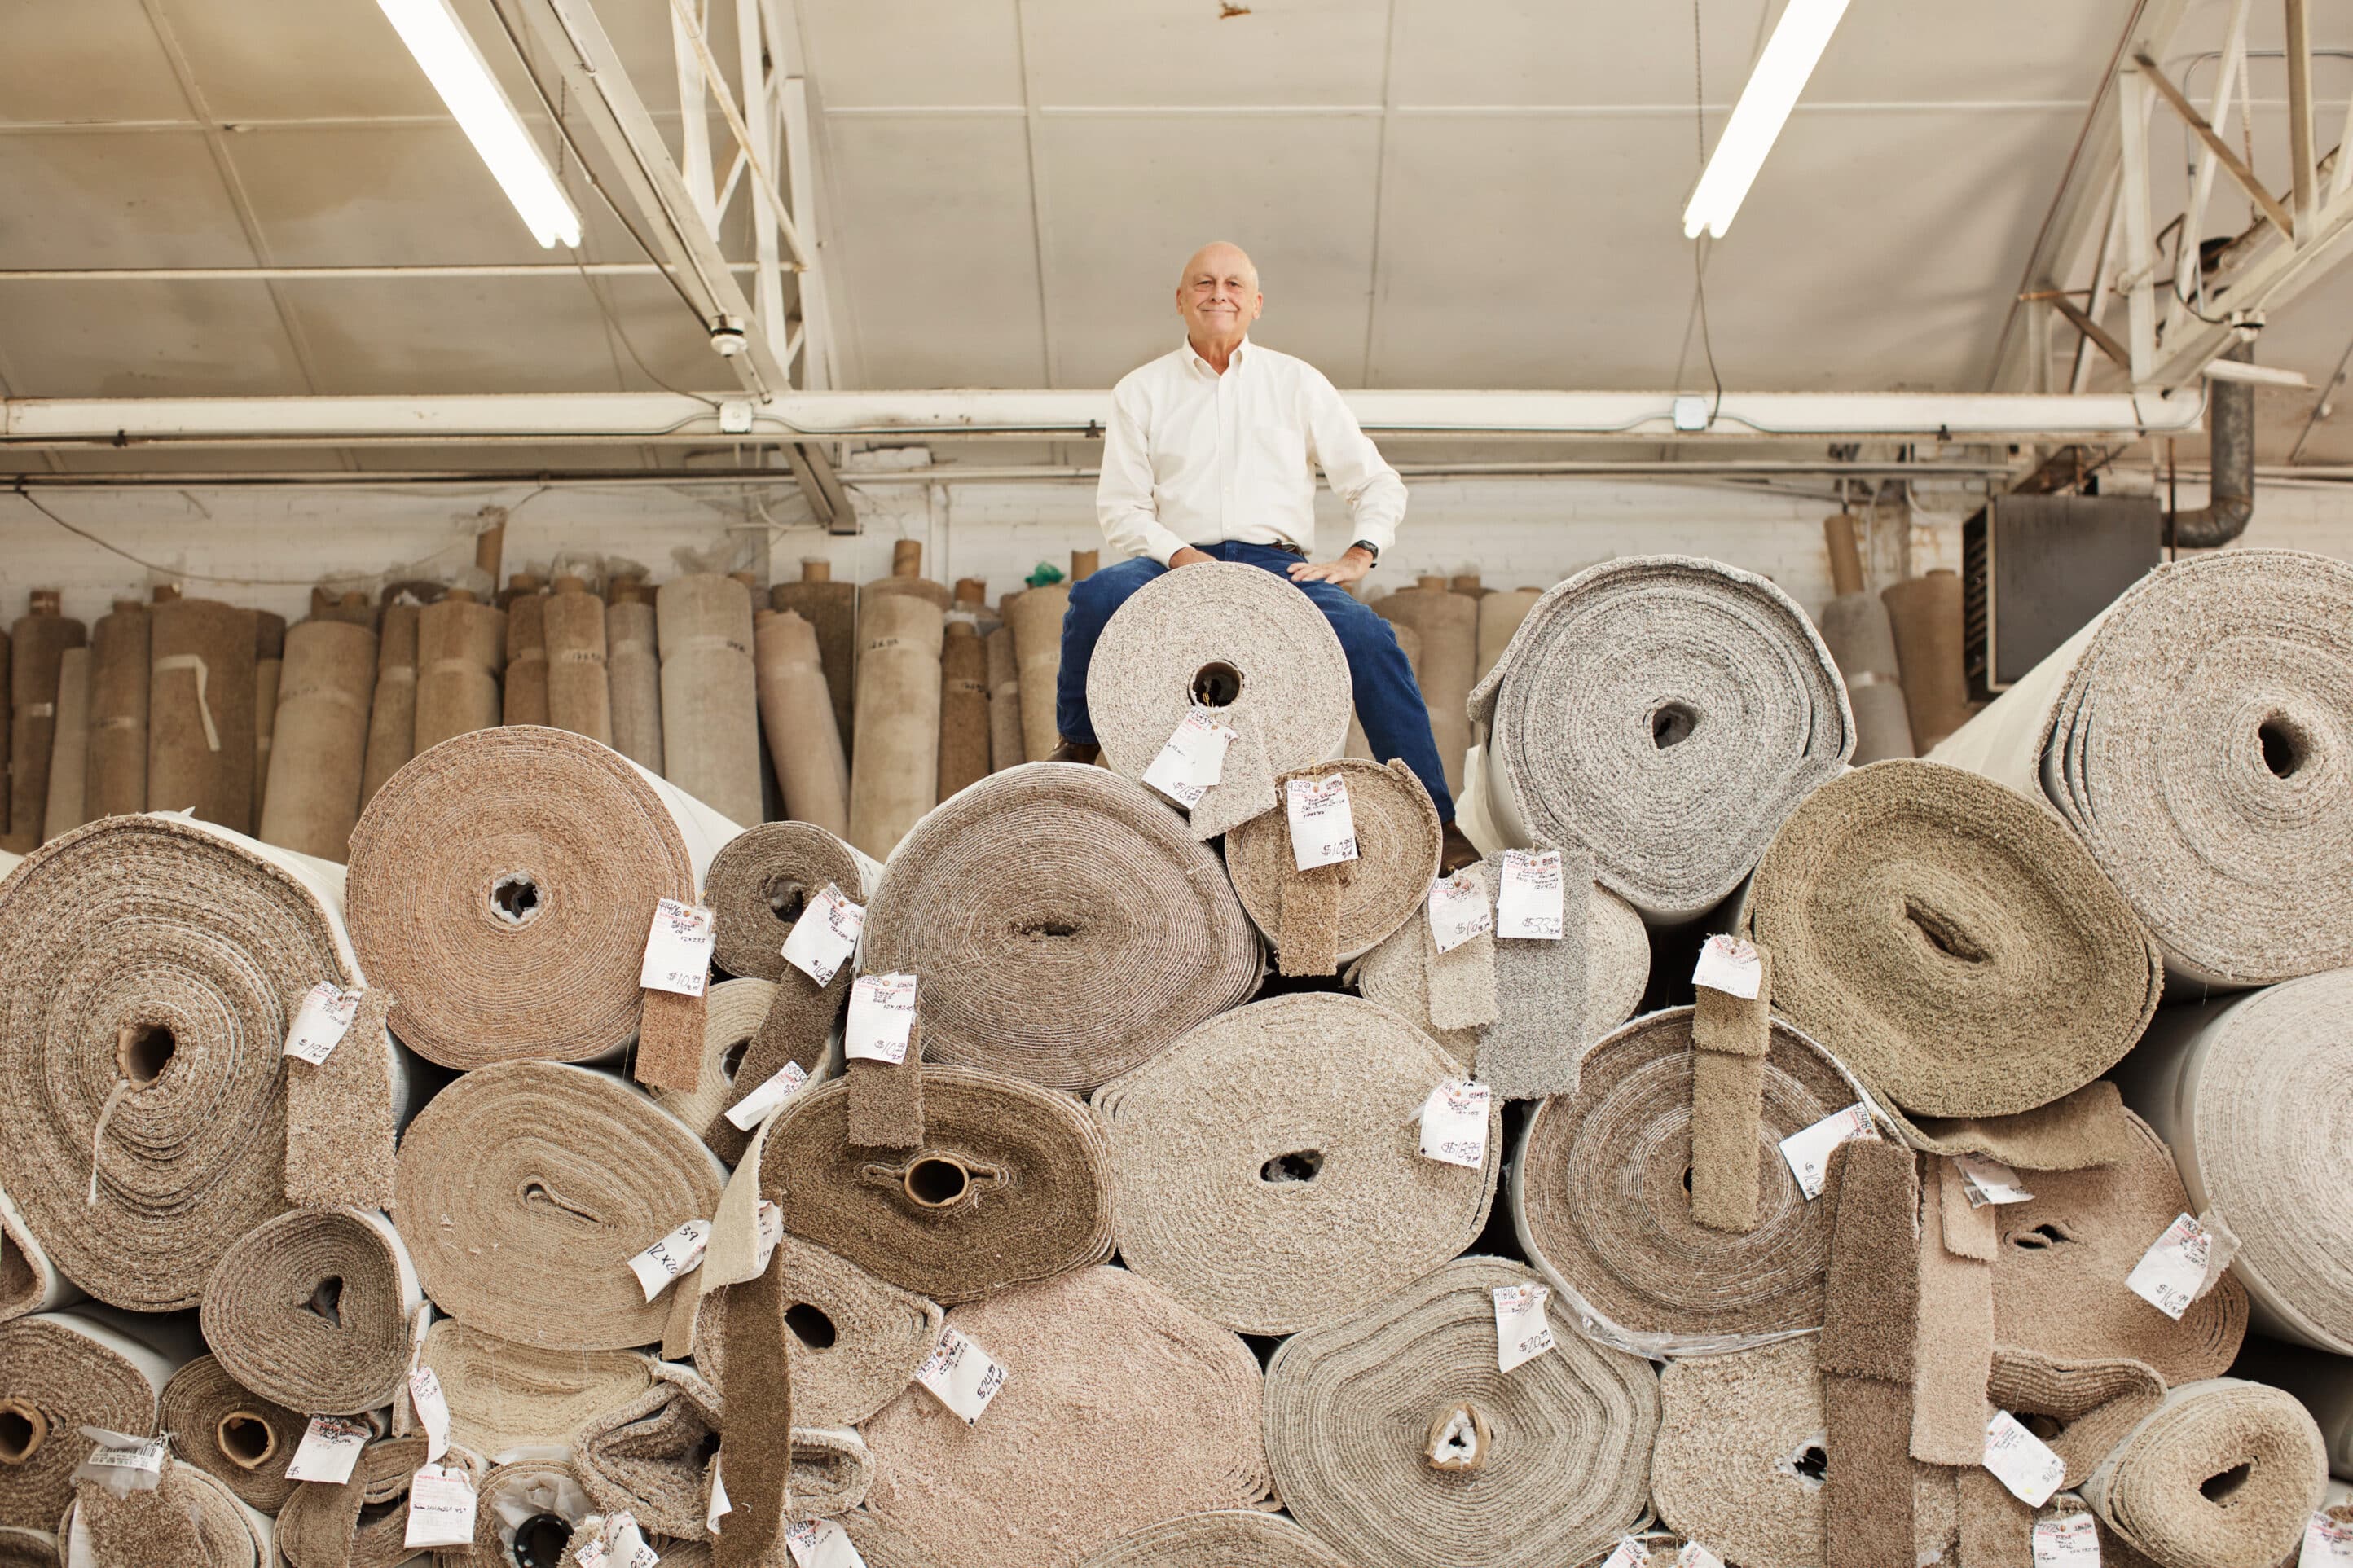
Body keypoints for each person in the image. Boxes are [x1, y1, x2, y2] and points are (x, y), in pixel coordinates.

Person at [1053, 239, 1476, 870]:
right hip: (1176, 559)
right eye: (1203, 283)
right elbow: (1122, 509)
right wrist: (1181, 557)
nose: (1218, 294)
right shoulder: (1140, 391)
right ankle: (1078, 746)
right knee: (1096, 595)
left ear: (1256, 304)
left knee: (1368, 637)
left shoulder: (1297, 383)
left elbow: (1377, 482)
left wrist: (1360, 552)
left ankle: (1437, 820)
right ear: (1180, 299)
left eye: (1233, 284)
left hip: (1278, 567)